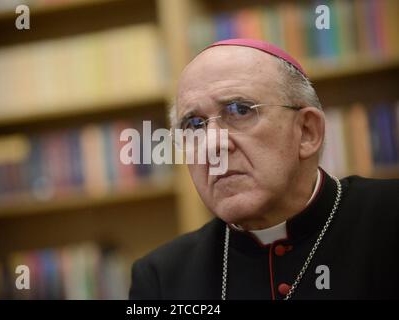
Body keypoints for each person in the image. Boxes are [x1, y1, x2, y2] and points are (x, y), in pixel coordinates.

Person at [128, 39, 399, 300]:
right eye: (194, 125)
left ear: (307, 132)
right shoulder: (161, 279)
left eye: (239, 110)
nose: (212, 144)